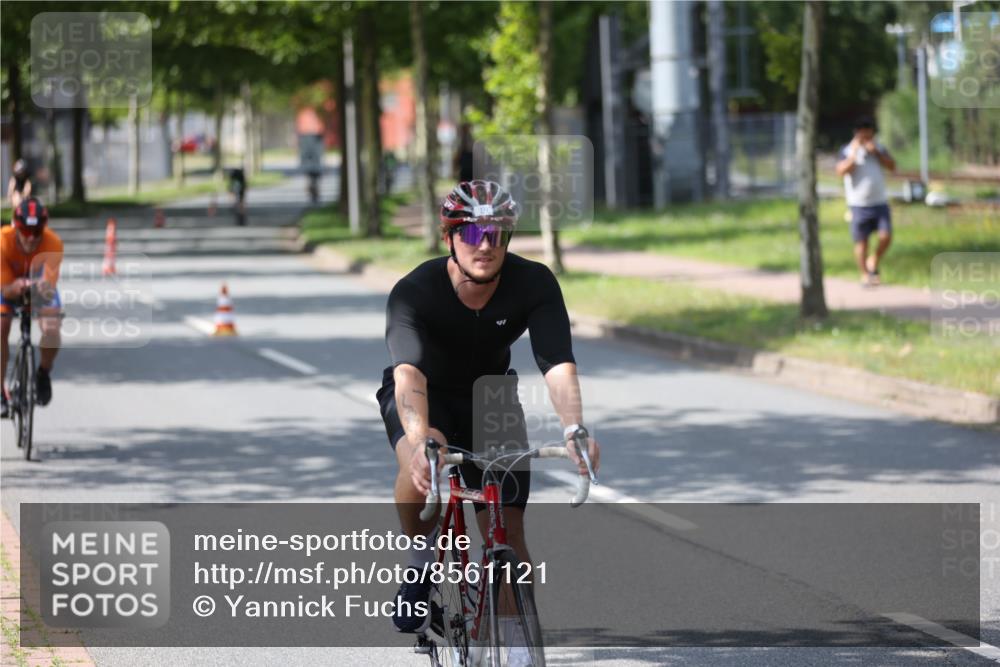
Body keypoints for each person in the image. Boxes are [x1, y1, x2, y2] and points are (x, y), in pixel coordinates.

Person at [376, 180, 601, 635]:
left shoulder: (534, 283)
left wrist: (574, 427)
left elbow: (556, 363)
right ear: (450, 239)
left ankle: (518, 645)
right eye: (474, 234)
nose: (486, 246)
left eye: (497, 235)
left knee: (509, 531)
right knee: (423, 459)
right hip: (426, 395)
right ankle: (420, 565)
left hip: (490, 397)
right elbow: (409, 376)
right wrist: (420, 442)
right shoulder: (414, 292)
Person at [1, 197, 63, 418]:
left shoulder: (53, 243)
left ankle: (43, 373)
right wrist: (17, 287)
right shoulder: (2, 241)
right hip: (9, 285)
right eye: (25, 231)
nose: (30, 238)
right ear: (15, 227)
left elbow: (47, 288)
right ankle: (1, 392)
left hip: (40, 288)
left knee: (52, 328)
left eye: (36, 232)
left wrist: (35, 288)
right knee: (2, 325)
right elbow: (5, 289)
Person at [835, 116, 896, 286]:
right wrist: (854, 155)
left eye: (869, 135)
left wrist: (876, 152)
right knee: (861, 242)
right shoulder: (847, 150)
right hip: (859, 204)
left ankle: (874, 260)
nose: (867, 139)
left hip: (879, 202)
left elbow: (892, 166)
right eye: (864, 136)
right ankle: (865, 274)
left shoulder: (879, 148)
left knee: (886, 236)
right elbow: (840, 171)